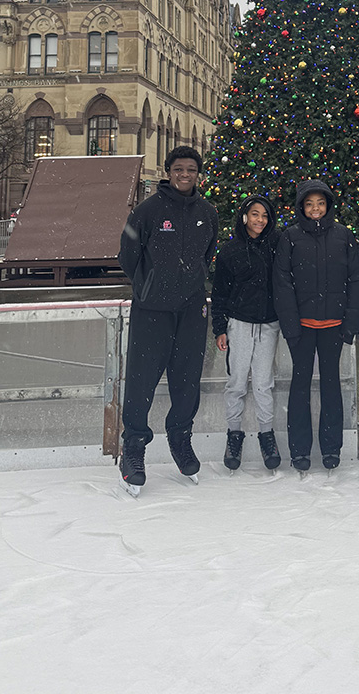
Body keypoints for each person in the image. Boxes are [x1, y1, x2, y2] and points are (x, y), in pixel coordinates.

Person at [117, 146, 218, 493]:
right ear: (169, 171)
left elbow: (208, 253)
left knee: (187, 380)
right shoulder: (148, 211)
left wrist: (191, 283)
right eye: (179, 169)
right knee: (142, 381)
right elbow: (128, 254)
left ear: (198, 173)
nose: (185, 175)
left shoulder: (207, 212)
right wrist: (148, 288)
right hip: (152, 310)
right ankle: (133, 447)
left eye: (191, 169)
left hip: (191, 310)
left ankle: (180, 438)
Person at [273, 180, 359, 472]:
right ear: (302, 207)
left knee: (331, 386)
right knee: (299, 387)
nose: (315, 209)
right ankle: (299, 450)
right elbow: (282, 284)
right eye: (310, 204)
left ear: (328, 206)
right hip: (301, 327)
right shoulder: (290, 237)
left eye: (320, 203)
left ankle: (330, 448)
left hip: (333, 326)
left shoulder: (343, 236)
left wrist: (351, 323)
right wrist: (290, 326)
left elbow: (355, 281)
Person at [211, 195, 282, 471]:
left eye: (264, 215)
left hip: (269, 324)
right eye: (255, 214)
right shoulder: (230, 251)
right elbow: (219, 293)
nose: (260, 220)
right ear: (245, 216)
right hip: (238, 324)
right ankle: (234, 435)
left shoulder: (277, 245)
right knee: (237, 383)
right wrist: (220, 328)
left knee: (264, 383)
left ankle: (267, 436)